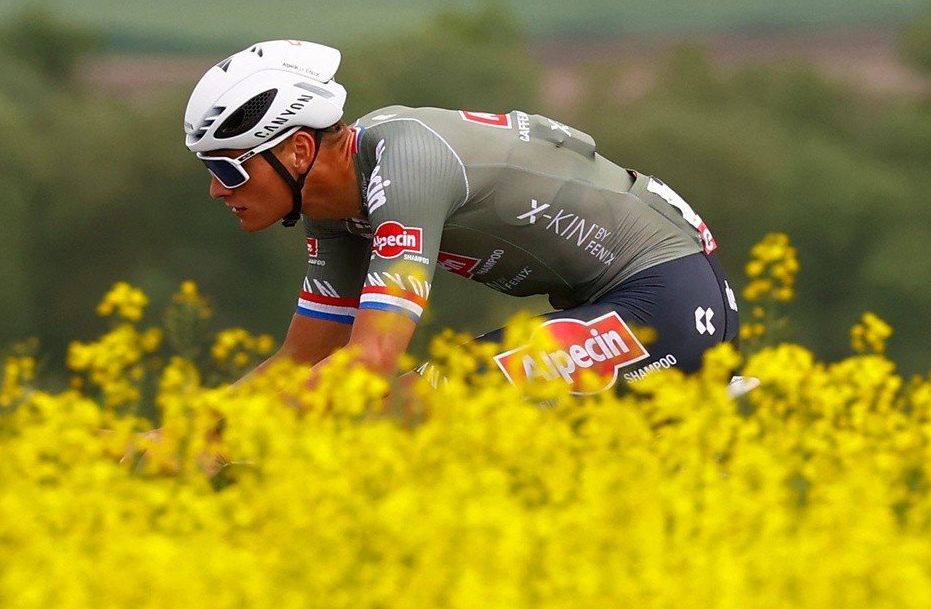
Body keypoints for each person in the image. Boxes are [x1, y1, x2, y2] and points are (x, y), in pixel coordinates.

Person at [186, 39, 737, 391]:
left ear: (299, 152)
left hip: (666, 301)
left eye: (231, 170)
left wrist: (229, 440)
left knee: (422, 406)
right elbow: (306, 354)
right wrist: (190, 431)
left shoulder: (407, 166)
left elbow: (371, 360)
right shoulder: (336, 204)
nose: (215, 190)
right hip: (614, 303)